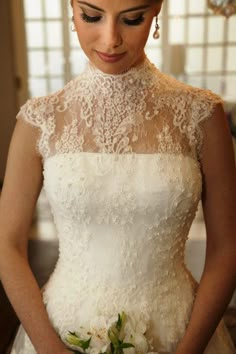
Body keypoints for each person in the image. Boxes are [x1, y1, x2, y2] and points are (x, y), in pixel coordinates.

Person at [0, 0, 235, 353]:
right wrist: (49, 347)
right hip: (62, 330)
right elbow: (7, 246)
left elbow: (227, 248)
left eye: (132, 19)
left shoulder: (202, 115)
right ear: (72, 10)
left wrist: (189, 349)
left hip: (180, 332)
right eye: (92, 16)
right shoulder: (39, 119)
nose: (111, 39)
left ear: (156, 12)